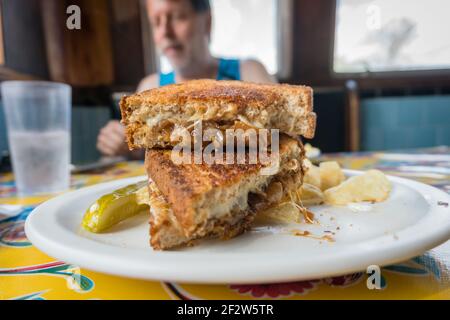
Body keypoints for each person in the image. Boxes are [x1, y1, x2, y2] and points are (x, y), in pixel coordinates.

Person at [97, 0, 276, 158]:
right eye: (156, 22)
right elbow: (139, 147)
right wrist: (123, 142)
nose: (165, 32)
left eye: (177, 17)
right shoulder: (149, 87)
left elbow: (283, 136)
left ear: (207, 22)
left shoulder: (249, 73)